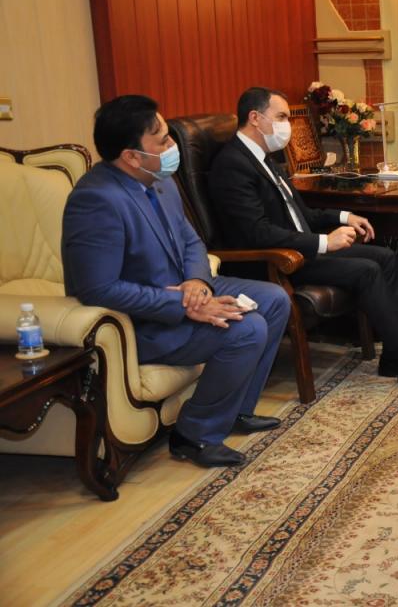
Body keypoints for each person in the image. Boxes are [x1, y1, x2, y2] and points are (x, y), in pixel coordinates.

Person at [62, 95, 291, 468]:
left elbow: (191, 241)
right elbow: (97, 289)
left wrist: (197, 284)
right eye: (163, 140)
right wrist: (182, 304)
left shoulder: (159, 179)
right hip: (143, 321)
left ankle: (237, 410)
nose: (172, 146)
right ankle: (194, 435)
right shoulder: (96, 200)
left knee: (274, 299)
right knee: (247, 329)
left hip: (185, 290)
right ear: (131, 156)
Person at [207, 87, 398, 388]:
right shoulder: (232, 165)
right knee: (366, 270)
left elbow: (302, 214)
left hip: (299, 248)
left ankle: (393, 355)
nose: (287, 125)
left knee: (385, 256)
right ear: (255, 118)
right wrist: (324, 242)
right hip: (274, 261)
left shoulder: (265, 158)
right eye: (281, 117)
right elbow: (256, 233)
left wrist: (345, 216)